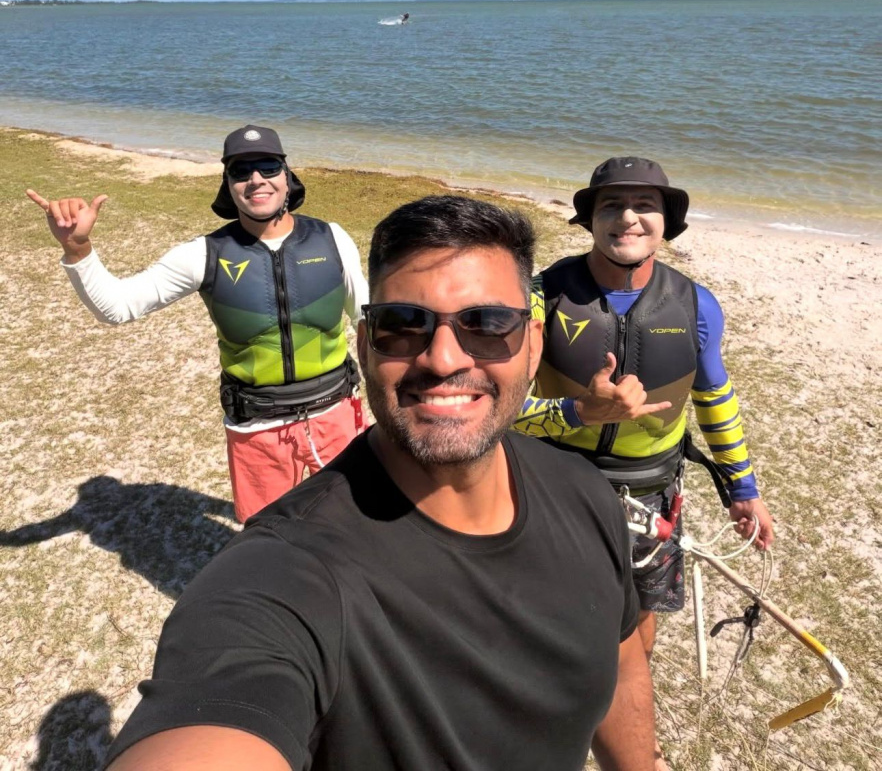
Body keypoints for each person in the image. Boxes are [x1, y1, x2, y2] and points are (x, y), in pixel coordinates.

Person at [104, 195, 655, 771]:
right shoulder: (287, 574)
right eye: (403, 325)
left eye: (488, 324)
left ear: (534, 344)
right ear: (365, 345)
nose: (443, 359)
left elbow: (620, 661)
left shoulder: (585, 494)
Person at [513, 158, 774, 768]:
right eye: (611, 205)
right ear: (589, 219)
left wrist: (742, 488)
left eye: (645, 206)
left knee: (640, 618)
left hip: (652, 493)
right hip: (556, 486)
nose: (628, 218)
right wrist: (579, 412)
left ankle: (626, 713)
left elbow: (714, 397)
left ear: (667, 221)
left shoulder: (696, 304)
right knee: (549, 617)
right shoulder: (542, 297)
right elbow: (505, 410)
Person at [27, 125, 367, 522]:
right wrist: (76, 248)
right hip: (257, 428)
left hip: (338, 414)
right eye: (241, 171)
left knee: (353, 527)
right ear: (228, 185)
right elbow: (117, 307)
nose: (256, 179)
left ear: (287, 177)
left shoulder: (331, 238)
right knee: (270, 540)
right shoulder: (205, 254)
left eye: (268, 166)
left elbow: (367, 318)